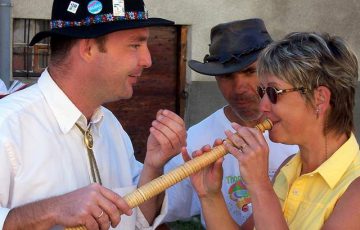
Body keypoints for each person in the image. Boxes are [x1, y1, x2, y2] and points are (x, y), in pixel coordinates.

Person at [0, 0, 186, 229]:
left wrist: (153, 166)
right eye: (135, 45)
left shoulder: (110, 126)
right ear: (88, 48)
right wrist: (51, 210)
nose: (147, 60)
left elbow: (136, 221)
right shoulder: (7, 126)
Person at [192, 32, 360, 229]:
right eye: (262, 92)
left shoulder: (355, 188)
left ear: (319, 98)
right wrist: (210, 195)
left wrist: (260, 185)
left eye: (273, 92)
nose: (262, 105)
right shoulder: (289, 167)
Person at [163, 19, 298, 226]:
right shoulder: (196, 141)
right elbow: (152, 214)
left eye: (249, 72)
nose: (238, 88)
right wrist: (155, 163)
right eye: (226, 76)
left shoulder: (301, 132)